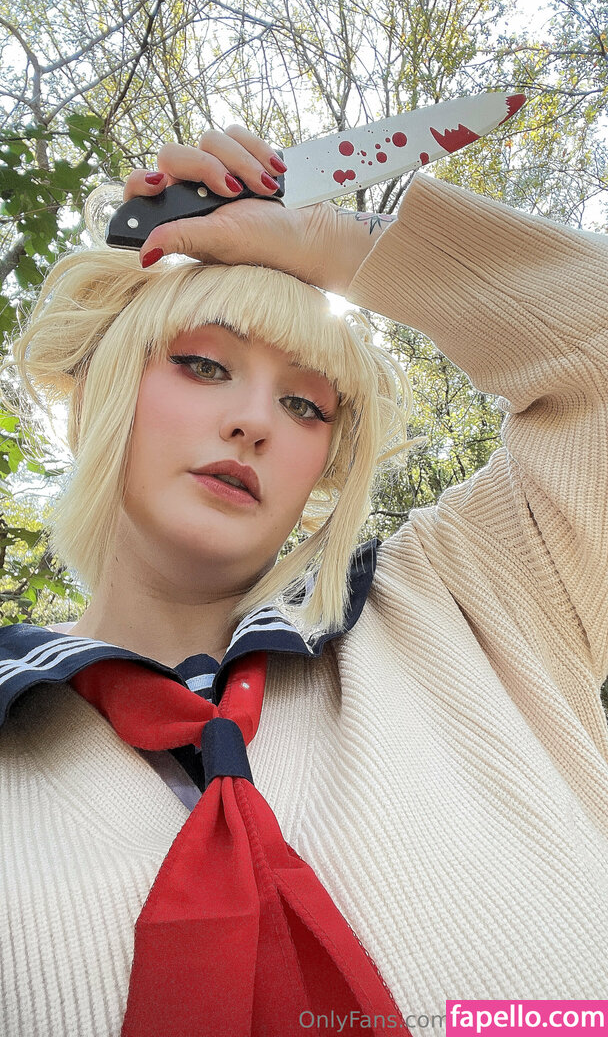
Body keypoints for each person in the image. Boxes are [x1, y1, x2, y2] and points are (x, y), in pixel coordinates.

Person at [1, 122, 608, 1037]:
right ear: (101, 391)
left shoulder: (476, 599)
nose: (254, 421)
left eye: (303, 403)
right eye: (203, 364)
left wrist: (333, 241)